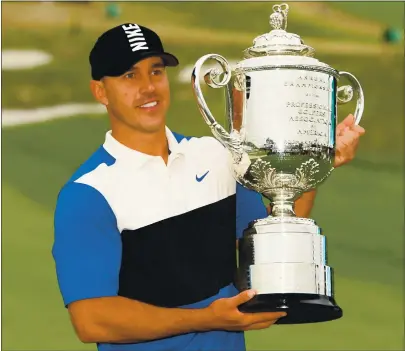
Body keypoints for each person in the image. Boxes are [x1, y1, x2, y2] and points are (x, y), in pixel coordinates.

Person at [52, 23, 366, 351]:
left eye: (155, 72)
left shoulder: (215, 157)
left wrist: (314, 159)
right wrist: (208, 318)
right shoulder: (89, 193)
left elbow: (273, 242)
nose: (148, 88)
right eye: (129, 76)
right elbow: (91, 319)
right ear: (100, 91)